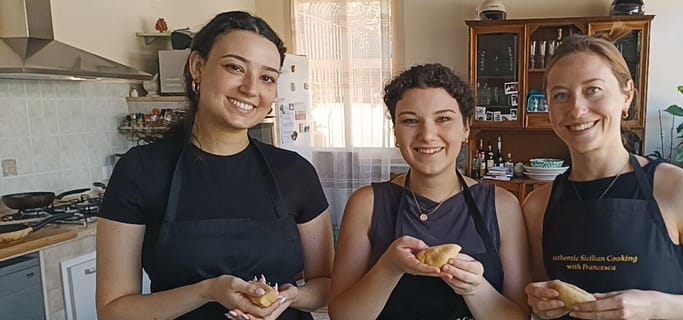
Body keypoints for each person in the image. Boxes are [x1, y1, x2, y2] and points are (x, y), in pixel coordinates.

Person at [96, 11, 333, 320]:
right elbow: (113, 310)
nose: (251, 88)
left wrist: (291, 297)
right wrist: (207, 291)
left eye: (267, 78)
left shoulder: (295, 172)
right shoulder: (140, 171)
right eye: (235, 67)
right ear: (197, 66)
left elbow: (325, 284)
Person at [522, 33, 683, 319]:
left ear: (627, 95)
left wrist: (655, 307)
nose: (577, 109)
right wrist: (540, 302)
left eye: (593, 90)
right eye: (561, 95)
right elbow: (538, 291)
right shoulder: (537, 206)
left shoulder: (680, 189)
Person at [329, 64, 531, 319]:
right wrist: (389, 268)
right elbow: (342, 315)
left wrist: (475, 288)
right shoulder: (366, 204)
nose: (427, 135)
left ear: (466, 128)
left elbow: (520, 315)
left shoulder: (502, 206)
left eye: (443, 119)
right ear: (395, 132)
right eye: (410, 121)